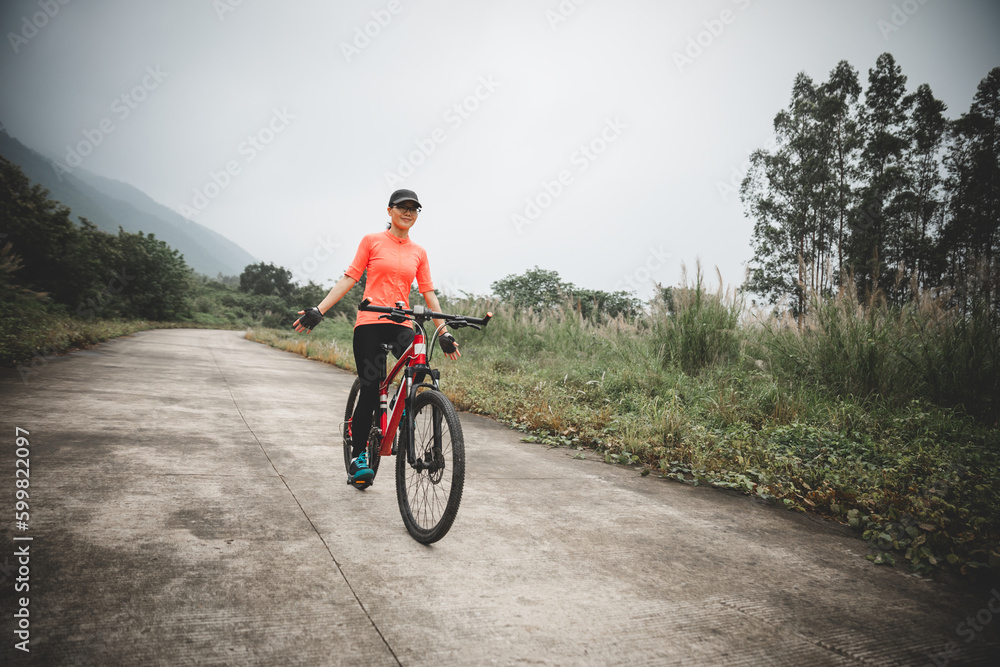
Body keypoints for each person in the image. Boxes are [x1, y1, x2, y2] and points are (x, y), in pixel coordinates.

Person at [292, 189, 459, 488]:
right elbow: (350, 277)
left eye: (414, 209)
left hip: (401, 323)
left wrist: (442, 331)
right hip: (370, 321)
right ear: (389, 210)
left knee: (419, 366)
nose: (408, 213)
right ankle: (358, 456)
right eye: (402, 207)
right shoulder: (371, 241)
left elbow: (428, 292)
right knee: (370, 388)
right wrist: (320, 309)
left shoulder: (419, 252)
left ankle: (400, 415)